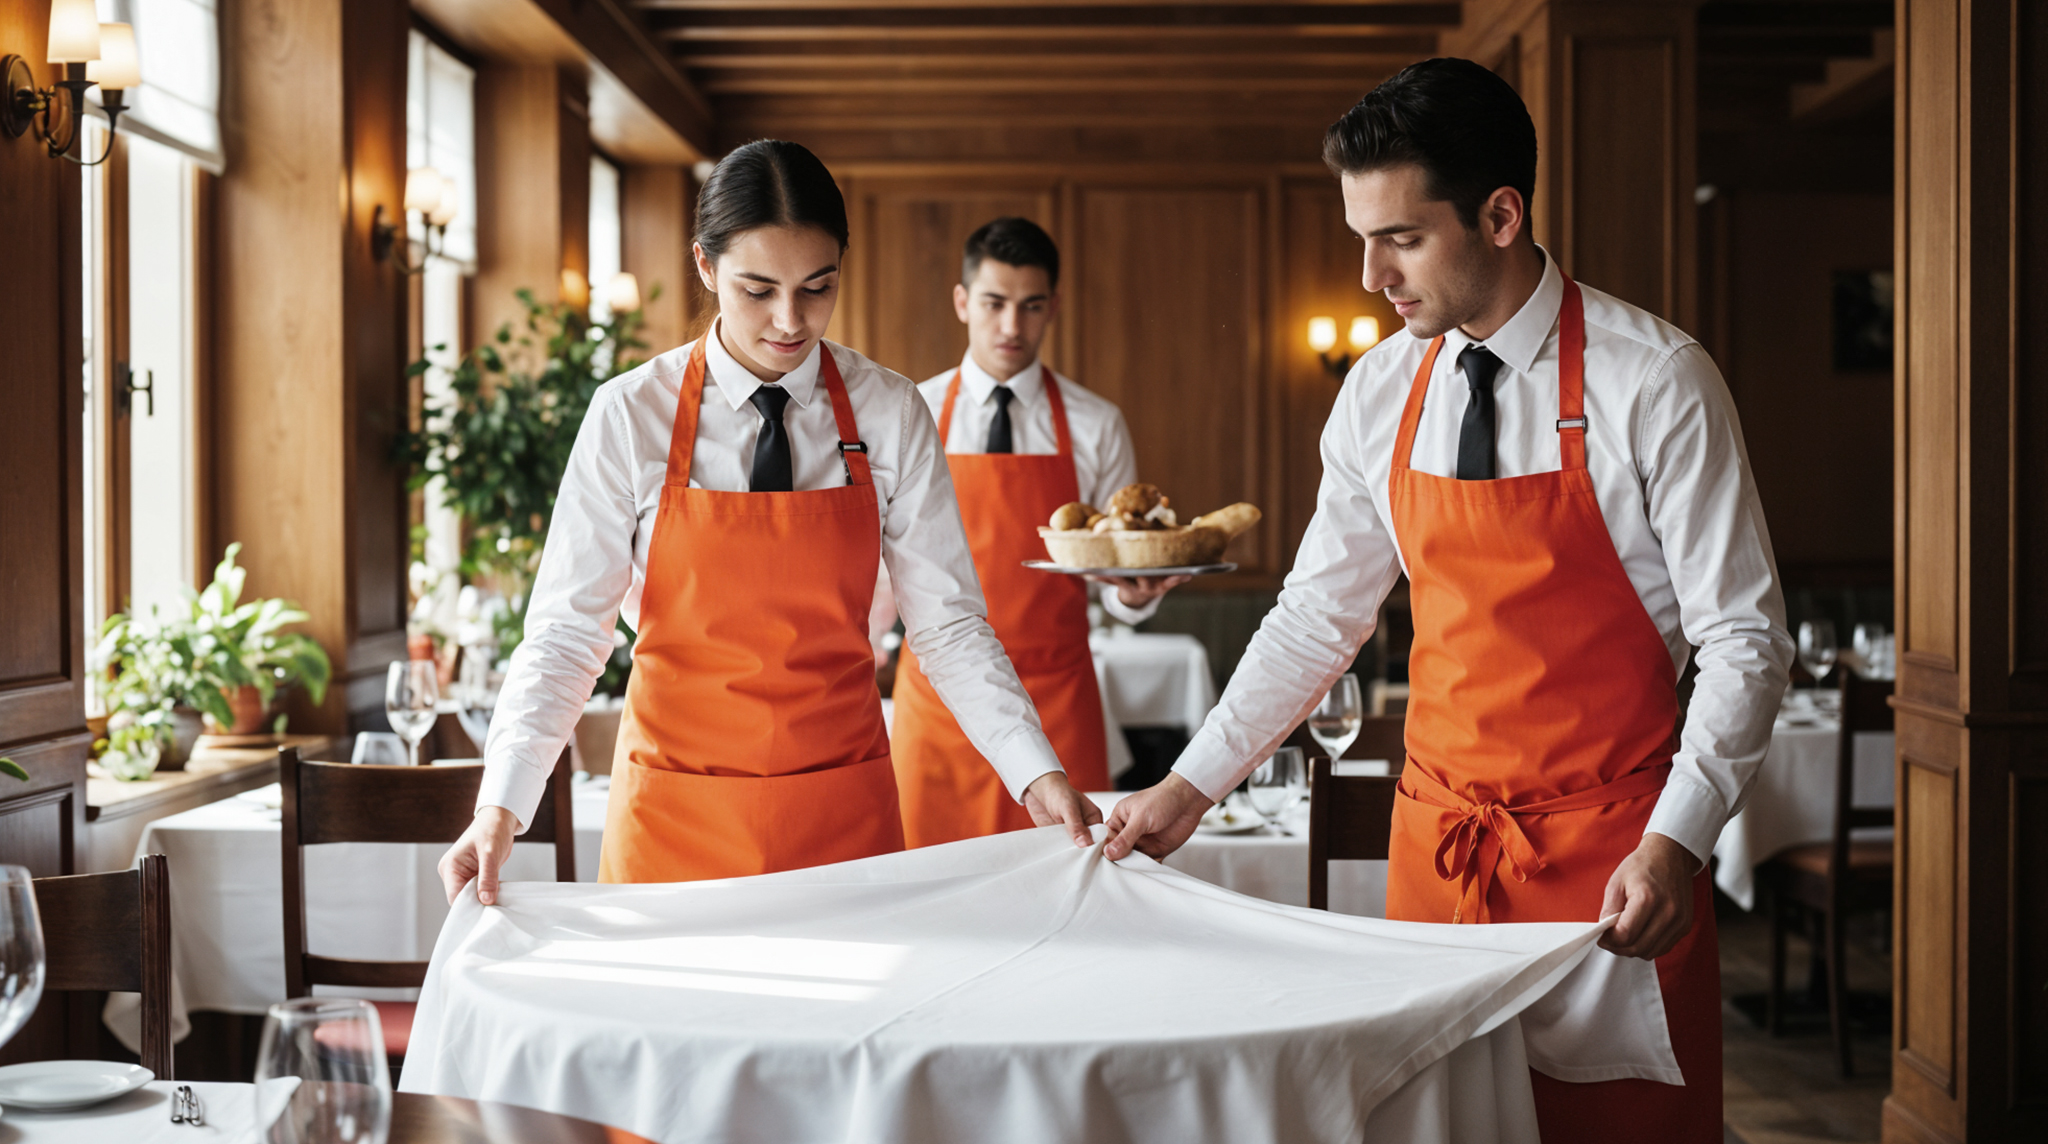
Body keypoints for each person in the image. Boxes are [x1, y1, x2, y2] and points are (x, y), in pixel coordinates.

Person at [1104, 59, 1793, 1142]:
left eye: (1401, 238)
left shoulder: (1654, 381)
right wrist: (1186, 788)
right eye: (1359, 238)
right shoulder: (1380, 393)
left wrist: (1679, 839)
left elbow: (1744, 640)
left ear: (1500, 214)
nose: (1370, 273)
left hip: (1612, 865)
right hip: (1436, 858)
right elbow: (1313, 619)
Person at [438, 140, 1099, 902]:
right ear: (705, 267)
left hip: (842, 817)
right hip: (673, 817)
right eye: (758, 290)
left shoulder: (889, 411)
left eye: (818, 287)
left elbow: (946, 625)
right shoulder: (629, 414)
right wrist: (501, 805)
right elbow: (565, 633)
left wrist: (1033, 771)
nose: (791, 321)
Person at [886, 218, 1185, 847]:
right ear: (963, 302)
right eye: (994, 304)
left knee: (1072, 896)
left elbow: (1115, 570)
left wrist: (1133, 595)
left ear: (1054, 307)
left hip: (1060, 703)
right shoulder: (910, 414)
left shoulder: (1097, 424)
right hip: (938, 708)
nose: (1011, 327)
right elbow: (884, 570)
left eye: (1030, 306)